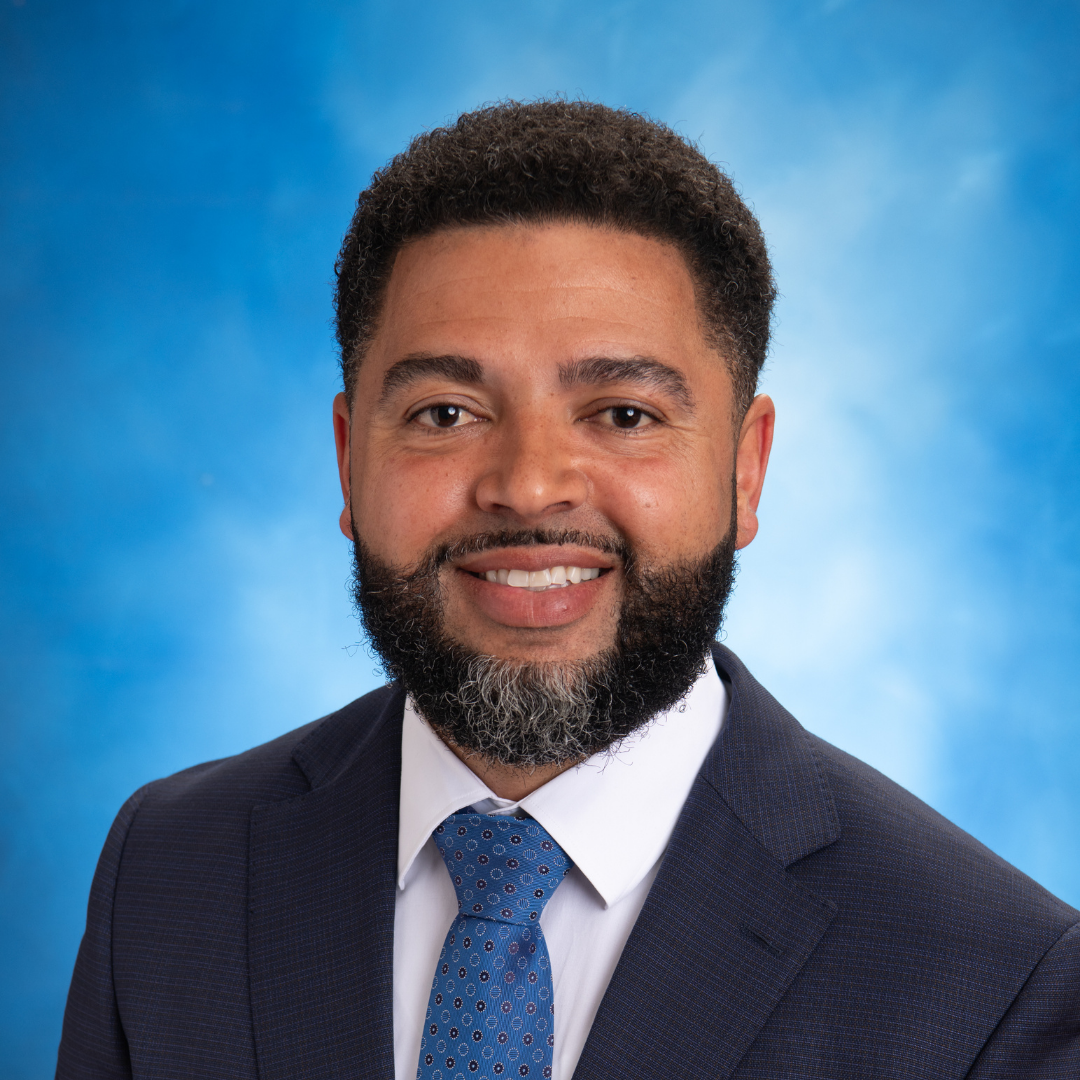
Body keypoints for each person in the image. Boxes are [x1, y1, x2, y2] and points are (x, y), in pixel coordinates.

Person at [57, 100, 1079, 1080]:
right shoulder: (171, 869)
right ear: (347, 458)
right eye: (446, 413)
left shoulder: (995, 985)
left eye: (624, 415)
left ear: (744, 470)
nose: (527, 486)